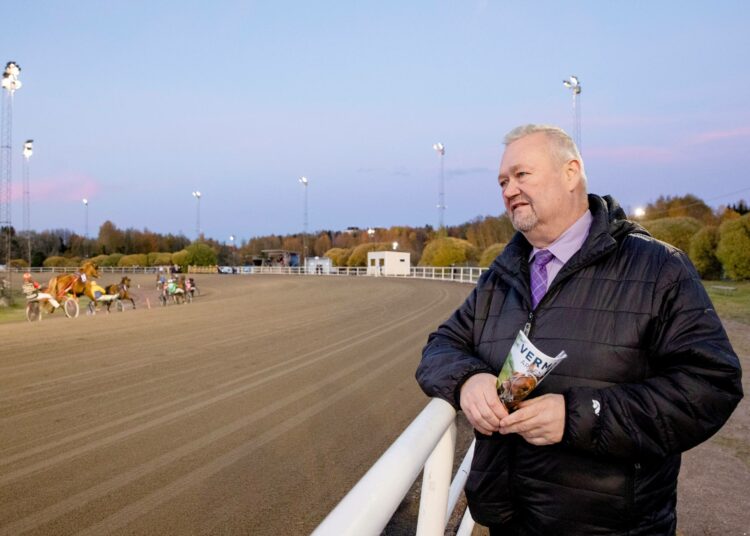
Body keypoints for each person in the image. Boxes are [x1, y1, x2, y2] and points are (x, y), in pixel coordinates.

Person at [415, 124, 743, 535]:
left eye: (522, 174)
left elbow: (712, 385)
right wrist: (467, 379)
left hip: (614, 527)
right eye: (502, 180)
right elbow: (440, 347)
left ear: (571, 173)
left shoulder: (659, 268)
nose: (508, 189)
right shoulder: (501, 275)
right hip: (510, 521)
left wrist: (580, 416)